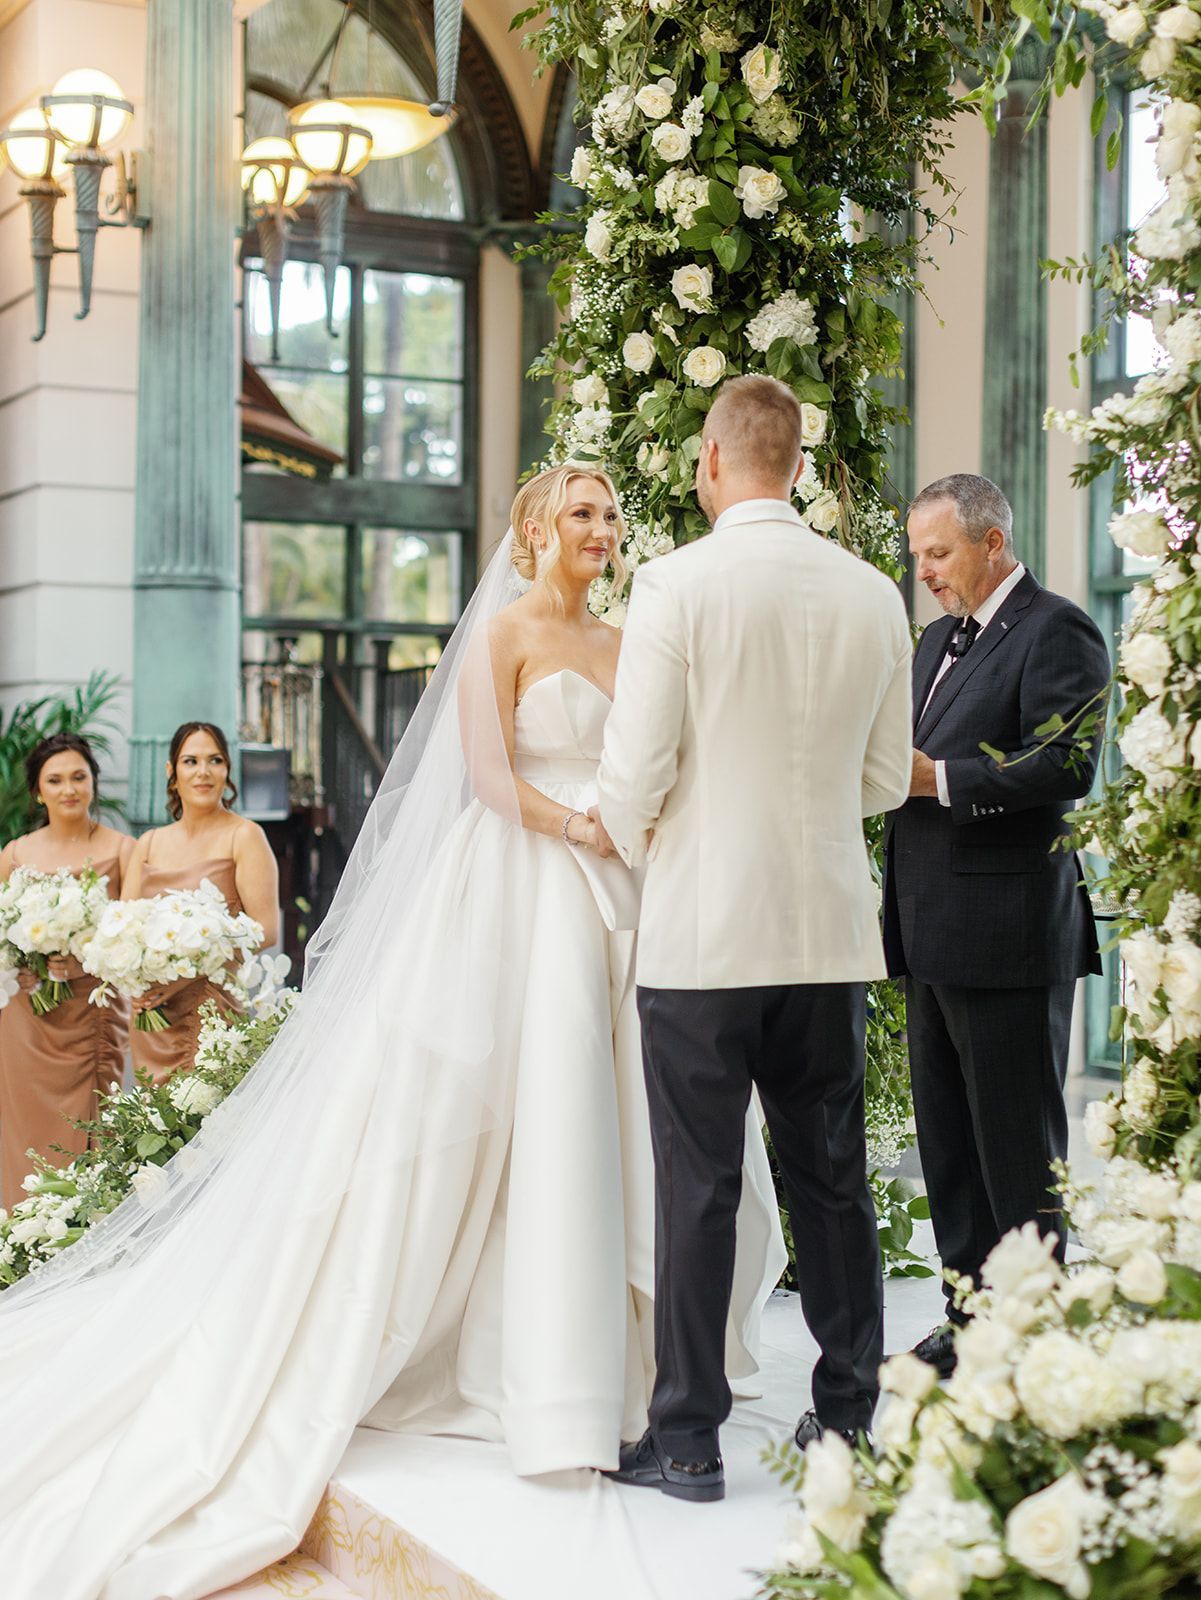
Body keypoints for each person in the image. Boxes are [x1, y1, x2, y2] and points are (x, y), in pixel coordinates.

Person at [0, 465, 783, 1600]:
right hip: (527, 881)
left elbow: (655, 761)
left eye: (612, 515)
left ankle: (637, 1370)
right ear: (532, 528)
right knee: (533, 1108)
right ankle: (548, 1379)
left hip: (626, 895)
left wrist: (635, 830)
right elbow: (486, 779)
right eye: (582, 513)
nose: (603, 530)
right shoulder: (502, 637)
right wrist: (586, 826)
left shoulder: (627, 642)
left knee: (626, 1112)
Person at [594, 375, 913, 1502]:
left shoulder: (674, 583)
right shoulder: (875, 592)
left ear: (717, 459)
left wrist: (628, 842)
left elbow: (633, 770)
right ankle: (847, 1419)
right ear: (793, 460)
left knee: (698, 1186)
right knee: (832, 1182)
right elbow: (882, 779)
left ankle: (685, 1440)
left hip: (701, 934)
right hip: (827, 929)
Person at [883, 473, 1110, 1380]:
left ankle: (1033, 1341)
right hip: (927, 927)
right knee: (947, 1151)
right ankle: (967, 1316)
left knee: (1018, 1155)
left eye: (937, 554)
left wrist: (935, 779)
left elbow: (1068, 762)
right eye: (916, 557)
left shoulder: (1057, 628)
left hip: (1010, 935)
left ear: (990, 543)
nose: (925, 573)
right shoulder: (936, 637)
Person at [0, 734, 132, 1211]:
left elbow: (130, 932)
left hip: (91, 1013)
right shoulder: (15, 854)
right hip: (25, 1022)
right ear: (38, 791)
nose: (68, 789)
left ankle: (84, 1238)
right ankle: (24, 1237)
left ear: (93, 783)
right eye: (55, 780)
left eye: (79, 777)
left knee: (95, 1131)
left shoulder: (123, 850)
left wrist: (82, 960)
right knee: (23, 1133)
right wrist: (21, 966)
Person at [122, 721, 280, 1083]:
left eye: (215, 760)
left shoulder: (245, 837)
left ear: (227, 770)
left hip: (210, 1011)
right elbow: (126, 925)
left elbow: (266, 930)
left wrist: (186, 974)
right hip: (153, 1014)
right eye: (191, 761)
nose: (203, 772)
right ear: (172, 772)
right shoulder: (147, 843)